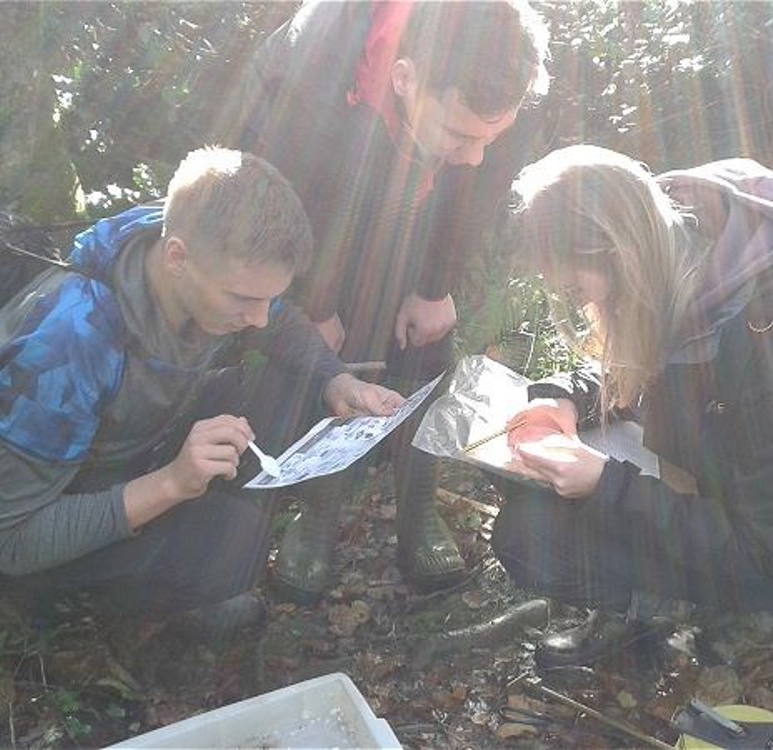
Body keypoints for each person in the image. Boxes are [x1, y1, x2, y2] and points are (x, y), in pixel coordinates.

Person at [0, 147, 403, 636]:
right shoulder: (72, 340)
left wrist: (338, 379)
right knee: (230, 547)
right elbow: (14, 539)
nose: (258, 316)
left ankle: (182, 543)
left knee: (298, 388)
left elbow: (279, 326)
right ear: (177, 259)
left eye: (269, 297)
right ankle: (51, 606)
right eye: (243, 299)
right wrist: (172, 483)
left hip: (103, 446)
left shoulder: (190, 249)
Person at [491, 145, 773, 668]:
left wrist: (607, 484)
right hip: (713, 477)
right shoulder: (689, 257)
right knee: (529, 502)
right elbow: (635, 366)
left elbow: (762, 550)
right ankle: (655, 601)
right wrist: (560, 399)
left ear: (619, 252)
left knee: (530, 537)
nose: (584, 306)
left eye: (579, 288)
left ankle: (736, 615)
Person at [217, 0, 551, 602]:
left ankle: (418, 501)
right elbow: (289, 198)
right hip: (322, 190)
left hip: (417, 183)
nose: (476, 151)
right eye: (459, 133)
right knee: (338, 340)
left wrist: (435, 285)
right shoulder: (313, 69)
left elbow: (480, 181)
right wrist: (318, 303)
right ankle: (319, 507)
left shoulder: (506, 66)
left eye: (489, 135)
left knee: (426, 337)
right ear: (405, 77)